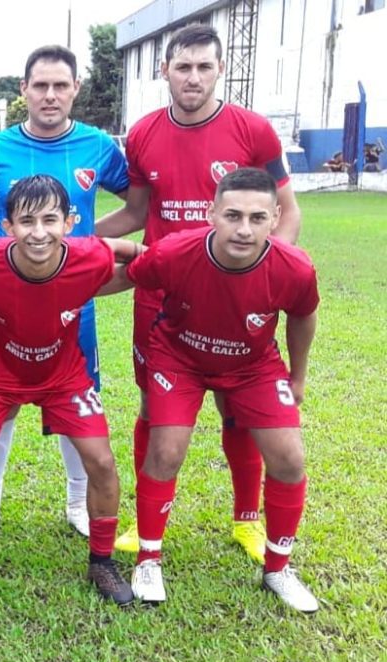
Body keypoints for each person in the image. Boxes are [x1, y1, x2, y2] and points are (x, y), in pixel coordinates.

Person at [96, 24, 302, 561]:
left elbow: (288, 210)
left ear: (220, 70)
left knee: (240, 406)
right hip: (160, 295)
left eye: (204, 67)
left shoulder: (253, 130)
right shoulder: (143, 133)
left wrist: (265, 270)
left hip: (236, 301)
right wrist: (75, 241)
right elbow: (137, 212)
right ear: (164, 70)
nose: (193, 77)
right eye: (183, 67)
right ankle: (145, 524)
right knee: (153, 405)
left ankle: (247, 520)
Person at [0, 45, 130, 539]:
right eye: (40, 85)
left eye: (61, 85)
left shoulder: (98, 145)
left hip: (74, 304)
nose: (50, 95)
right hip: (6, 299)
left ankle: (79, 501)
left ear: (76, 88)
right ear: (24, 89)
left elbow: (141, 206)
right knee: (0, 397)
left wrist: (86, 243)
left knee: (79, 401)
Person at [0, 175, 140, 603]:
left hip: (64, 378)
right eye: (27, 221)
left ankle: (102, 562)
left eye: (50, 220)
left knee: (102, 462)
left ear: (69, 223)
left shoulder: (89, 256)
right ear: (7, 226)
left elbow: (132, 259)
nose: (39, 232)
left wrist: (166, 261)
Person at [124, 168, 319, 613]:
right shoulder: (176, 251)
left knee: (290, 458)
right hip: (179, 358)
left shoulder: (294, 267)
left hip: (253, 366)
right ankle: (148, 559)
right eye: (233, 215)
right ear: (212, 214)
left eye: (257, 217)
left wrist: (299, 375)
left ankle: (278, 568)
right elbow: (128, 273)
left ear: (275, 219)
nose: (244, 229)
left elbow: (303, 315)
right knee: (166, 450)